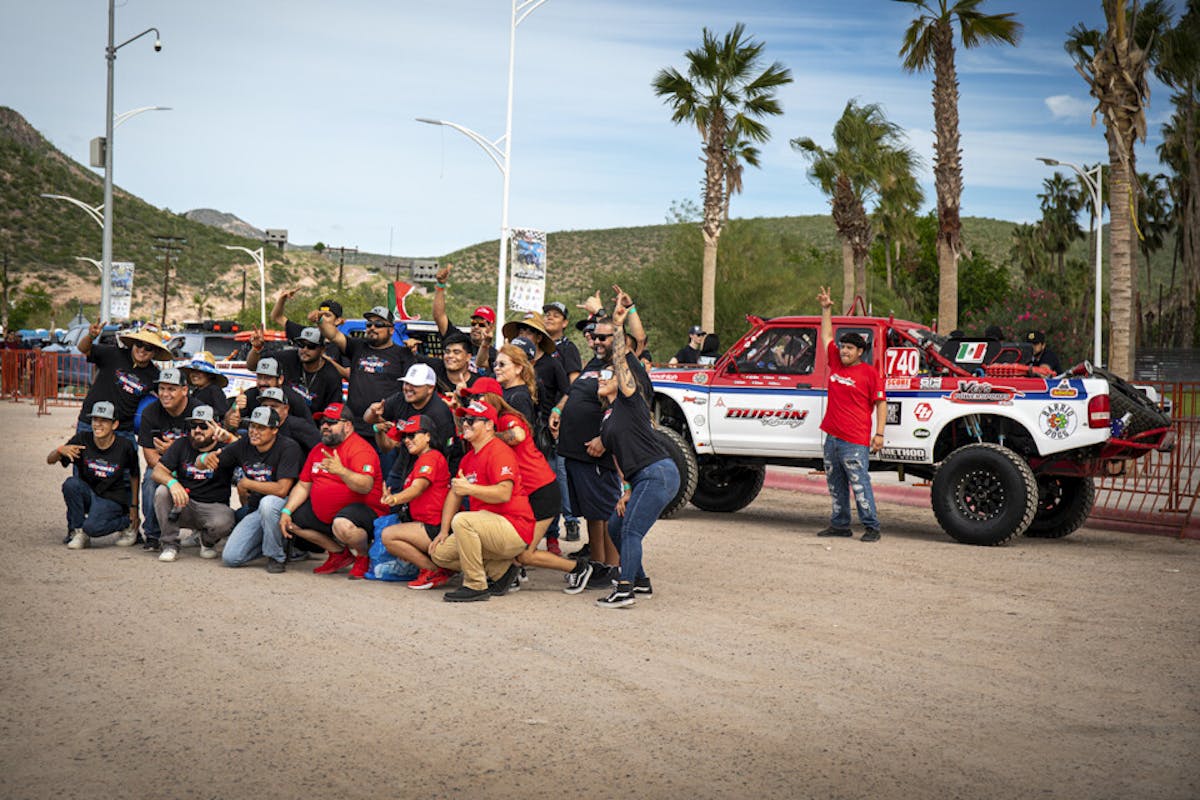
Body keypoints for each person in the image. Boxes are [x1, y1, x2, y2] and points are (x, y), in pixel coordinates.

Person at [549, 308, 655, 585]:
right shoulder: (594, 366)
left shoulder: (626, 368)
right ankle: (599, 564)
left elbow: (632, 410)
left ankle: (614, 567)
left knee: (607, 513)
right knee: (592, 516)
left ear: (619, 341)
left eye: (604, 338)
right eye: (594, 337)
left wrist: (603, 440)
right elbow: (574, 392)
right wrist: (560, 410)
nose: (597, 342)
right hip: (574, 452)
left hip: (597, 454)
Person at [595, 303, 680, 607]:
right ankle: (640, 580)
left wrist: (618, 328)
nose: (602, 378)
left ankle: (624, 589)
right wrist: (626, 490)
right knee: (616, 526)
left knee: (631, 529)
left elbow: (621, 363)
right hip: (641, 478)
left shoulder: (631, 401)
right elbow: (618, 458)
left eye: (608, 376)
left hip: (658, 472)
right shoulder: (609, 419)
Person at [472, 388, 592, 593]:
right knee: (508, 539)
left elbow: (517, 435)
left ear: (492, 399)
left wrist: (490, 434)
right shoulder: (486, 422)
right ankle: (512, 574)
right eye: (473, 399)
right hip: (527, 494)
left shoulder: (506, 418)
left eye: (479, 398)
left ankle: (579, 568)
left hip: (542, 491)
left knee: (525, 554)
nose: (475, 402)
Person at [428, 399, 535, 602]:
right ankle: (501, 571)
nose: (465, 424)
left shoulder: (499, 451)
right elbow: (454, 493)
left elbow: (504, 493)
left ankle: (476, 585)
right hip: (487, 525)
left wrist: (469, 488)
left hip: (514, 526)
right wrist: (442, 531)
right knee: (440, 554)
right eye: (463, 419)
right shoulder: (468, 458)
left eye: (471, 420)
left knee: (462, 521)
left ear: (488, 426)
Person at [278, 402, 387, 579]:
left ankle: (362, 556)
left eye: (331, 422)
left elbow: (365, 485)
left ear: (348, 425)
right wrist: (286, 510)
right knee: (289, 520)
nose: (325, 426)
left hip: (362, 513)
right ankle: (339, 554)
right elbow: (304, 485)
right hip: (328, 514)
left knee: (342, 525)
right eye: (323, 422)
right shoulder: (318, 449)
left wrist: (341, 471)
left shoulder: (360, 449)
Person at [815, 286, 885, 542]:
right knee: (835, 484)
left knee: (859, 483)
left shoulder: (869, 374)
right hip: (832, 437)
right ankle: (840, 524)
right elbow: (825, 337)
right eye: (842, 347)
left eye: (849, 349)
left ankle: (872, 527)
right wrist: (826, 310)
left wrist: (879, 433)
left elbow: (881, 403)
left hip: (854, 439)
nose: (843, 351)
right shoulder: (834, 361)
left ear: (860, 352)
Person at [211, 406, 304, 573]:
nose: (254, 431)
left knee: (268, 504)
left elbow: (282, 489)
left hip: (285, 509)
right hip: (256, 509)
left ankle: (276, 556)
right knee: (231, 558)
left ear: (275, 429)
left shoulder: (288, 447)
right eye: (252, 426)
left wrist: (246, 484)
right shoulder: (245, 443)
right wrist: (204, 458)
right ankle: (279, 544)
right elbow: (217, 459)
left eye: (261, 427)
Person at [319, 305, 416, 448]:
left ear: (391, 330)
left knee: (383, 470)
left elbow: (410, 390)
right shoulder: (357, 346)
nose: (372, 328)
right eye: (369, 324)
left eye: (378, 324)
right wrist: (320, 319)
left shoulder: (403, 354)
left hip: (385, 429)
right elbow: (333, 335)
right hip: (354, 429)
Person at [151, 405, 239, 563]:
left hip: (213, 507)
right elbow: (157, 471)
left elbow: (250, 450)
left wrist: (230, 439)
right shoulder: (181, 444)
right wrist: (173, 483)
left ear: (216, 427)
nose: (197, 430)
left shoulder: (227, 448)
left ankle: (206, 542)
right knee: (162, 491)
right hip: (185, 504)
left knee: (226, 520)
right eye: (193, 425)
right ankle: (169, 544)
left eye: (204, 425)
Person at [47, 400, 140, 549]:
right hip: (89, 493)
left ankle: (126, 524)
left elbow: (135, 475)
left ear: (114, 425)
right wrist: (59, 450)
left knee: (93, 528)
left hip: (112, 498)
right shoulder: (82, 439)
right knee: (70, 484)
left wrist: (134, 508)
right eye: (95, 419)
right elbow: (49, 460)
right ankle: (78, 532)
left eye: (104, 421)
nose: (98, 424)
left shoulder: (125, 446)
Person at [378, 415, 455, 590]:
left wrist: (394, 499)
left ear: (428, 436)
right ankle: (439, 568)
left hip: (434, 527)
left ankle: (433, 570)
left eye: (412, 435)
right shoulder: (422, 458)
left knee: (388, 535)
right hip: (429, 524)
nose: (407, 440)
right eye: (405, 436)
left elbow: (418, 488)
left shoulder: (431, 457)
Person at [75, 322, 171, 438]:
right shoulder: (113, 354)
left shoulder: (155, 375)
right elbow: (83, 349)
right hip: (91, 423)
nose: (142, 350)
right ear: (133, 344)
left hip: (123, 430)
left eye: (148, 347)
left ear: (155, 352)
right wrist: (90, 336)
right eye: (139, 344)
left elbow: (168, 397)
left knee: (129, 456)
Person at [137, 368, 197, 550]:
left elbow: (205, 449)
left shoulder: (197, 410)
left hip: (192, 464)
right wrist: (169, 473)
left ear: (184, 390)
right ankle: (153, 534)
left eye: (171, 389)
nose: (165, 394)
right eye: (162, 388)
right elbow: (149, 455)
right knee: (149, 478)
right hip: (163, 466)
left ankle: (205, 532)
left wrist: (176, 450)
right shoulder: (150, 412)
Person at [368, 362, 460, 480]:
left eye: (415, 384)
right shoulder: (400, 399)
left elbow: (445, 454)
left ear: (430, 388)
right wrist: (374, 418)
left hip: (429, 470)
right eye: (407, 383)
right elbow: (386, 444)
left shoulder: (439, 413)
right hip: (403, 465)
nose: (408, 388)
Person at [246, 327, 343, 416]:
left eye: (311, 346)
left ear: (322, 350)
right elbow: (252, 366)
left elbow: (334, 410)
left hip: (312, 425)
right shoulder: (289, 357)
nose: (304, 350)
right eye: (301, 345)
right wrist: (256, 348)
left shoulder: (331, 375)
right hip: (285, 418)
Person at [431, 262, 496, 372]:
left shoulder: (495, 355)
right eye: (473, 323)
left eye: (481, 325)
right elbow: (439, 316)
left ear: (491, 327)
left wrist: (485, 344)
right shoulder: (460, 340)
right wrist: (440, 286)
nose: (476, 327)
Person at [270, 290, 351, 375]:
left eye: (327, 315)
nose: (322, 318)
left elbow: (348, 374)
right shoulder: (306, 334)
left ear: (338, 321)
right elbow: (277, 317)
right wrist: (282, 299)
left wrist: (324, 360)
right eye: (320, 314)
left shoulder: (343, 344)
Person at [225, 357, 311, 430]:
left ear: (280, 379)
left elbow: (310, 428)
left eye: (267, 378)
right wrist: (234, 408)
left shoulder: (294, 399)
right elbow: (229, 426)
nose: (262, 383)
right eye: (259, 377)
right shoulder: (250, 395)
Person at [257, 387, 321, 452]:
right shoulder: (257, 425)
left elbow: (320, 447)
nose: (268, 409)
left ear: (286, 409)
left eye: (274, 406)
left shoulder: (298, 426)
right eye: (264, 406)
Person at [179, 351, 230, 418]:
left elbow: (222, 412)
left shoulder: (214, 390)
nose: (194, 375)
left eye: (199, 371)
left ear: (209, 375)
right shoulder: (196, 391)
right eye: (193, 371)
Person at [542, 302, 581, 382]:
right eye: (547, 315)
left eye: (556, 316)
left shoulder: (568, 347)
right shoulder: (538, 346)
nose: (550, 318)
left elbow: (574, 380)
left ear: (564, 323)